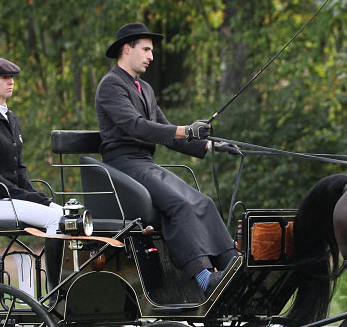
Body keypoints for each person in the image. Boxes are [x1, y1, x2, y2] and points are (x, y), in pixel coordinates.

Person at [94, 23, 240, 294]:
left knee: (202, 201)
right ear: (127, 49)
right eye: (146, 49)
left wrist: (209, 145)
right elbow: (136, 126)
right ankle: (203, 277)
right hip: (122, 165)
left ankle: (231, 264)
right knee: (179, 204)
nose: (151, 56)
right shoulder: (111, 85)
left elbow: (166, 133)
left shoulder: (145, 89)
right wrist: (186, 129)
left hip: (144, 164)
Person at [0, 57, 63, 233]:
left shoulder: (12, 119)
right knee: (55, 219)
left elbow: (20, 168)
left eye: (12, 77)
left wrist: (37, 196)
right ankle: (51, 263)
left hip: (10, 198)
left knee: (65, 215)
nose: (11, 82)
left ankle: (27, 260)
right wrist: (25, 196)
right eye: (4, 77)